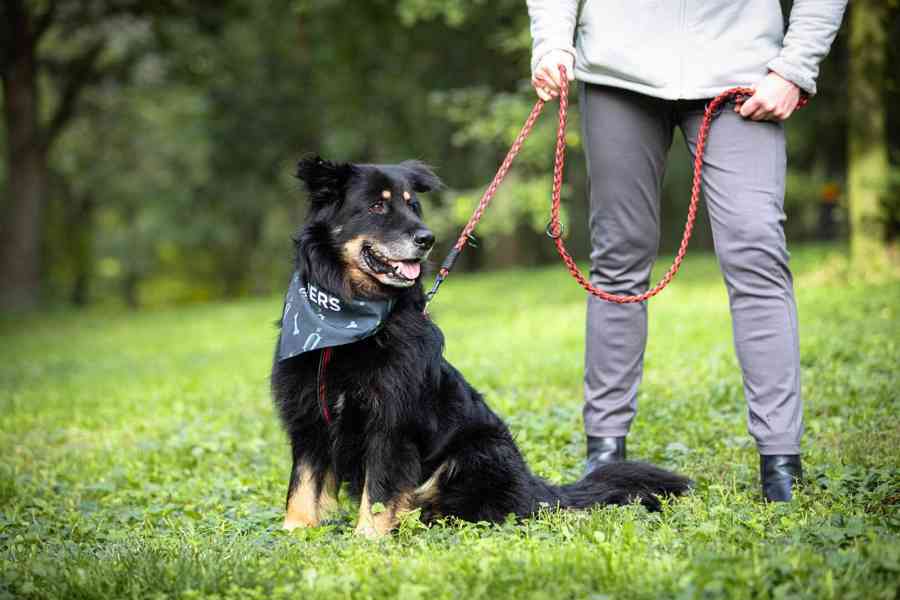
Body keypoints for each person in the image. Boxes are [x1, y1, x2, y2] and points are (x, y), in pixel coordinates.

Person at [526, 0, 847, 502]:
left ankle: (781, 459)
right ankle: (605, 454)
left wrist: (795, 68)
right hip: (619, 71)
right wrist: (552, 43)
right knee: (617, 259)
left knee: (757, 254)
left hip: (741, 75)